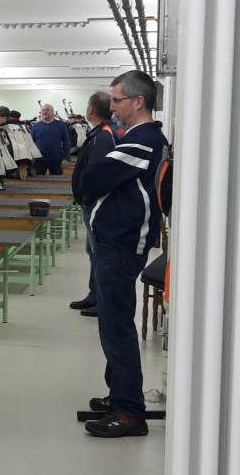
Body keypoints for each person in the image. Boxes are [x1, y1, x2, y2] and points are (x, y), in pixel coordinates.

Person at [75, 70, 168, 438]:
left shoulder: (143, 140)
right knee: (112, 323)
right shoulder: (137, 139)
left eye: (117, 100)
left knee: (117, 327)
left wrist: (89, 181)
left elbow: (93, 178)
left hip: (121, 243)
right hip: (115, 239)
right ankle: (119, 395)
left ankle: (129, 411)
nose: (111, 107)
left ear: (138, 102)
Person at [68, 91, 119, 318]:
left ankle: (102, 300)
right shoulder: (103, 132)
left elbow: (99, 174)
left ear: (90, 110)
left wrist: (88, 197)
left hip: (97, 204)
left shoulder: (103, 136)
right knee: (93, 252)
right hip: (95, 203)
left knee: (99, 253)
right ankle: (94, 295)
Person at [30, 103, 73, 175]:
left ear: (52, 112)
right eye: (43, 110)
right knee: (38, 180)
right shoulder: (35, 126)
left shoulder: (61, 125)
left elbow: (66, 142)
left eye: (48, 110)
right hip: (39, 160)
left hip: (56, 160)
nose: (45, 112)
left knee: (57, 180)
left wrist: (66, 158)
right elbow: (31, 143)